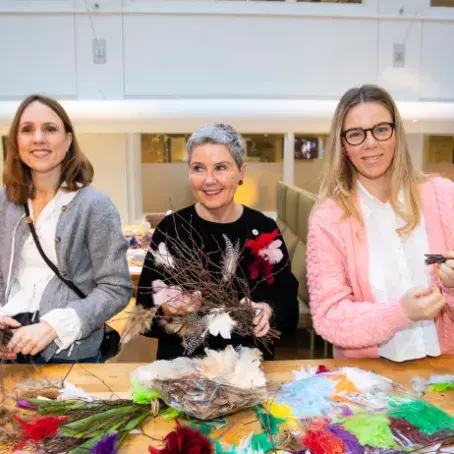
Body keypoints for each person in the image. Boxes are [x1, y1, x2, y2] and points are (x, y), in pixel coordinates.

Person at [307, 84, 454, 361]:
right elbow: (329, 317)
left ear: (397, 133)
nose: (370, 142)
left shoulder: (443, 196)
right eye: (356, 134)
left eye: (381, 129)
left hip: (444, 371)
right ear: (343, 145)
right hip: (368, 382)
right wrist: (401, 313)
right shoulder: (328, 218)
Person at [137, 123, 299, 360]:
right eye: (198, 168)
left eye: (221, 168)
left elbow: (289, 308)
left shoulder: (263, 230)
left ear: (241, 173)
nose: (209, 179)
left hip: (246, 372)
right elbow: (143, 313)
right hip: (182, 372)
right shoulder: (171, 231)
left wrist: (268, 312)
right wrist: (168, 311)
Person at [0, 94, 132, 363]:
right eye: (27, 130)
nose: (38, 138)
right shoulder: (5, 202)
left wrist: (53, 327)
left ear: (68, 139)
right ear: (16, 141)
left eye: (50, 129)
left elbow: (116, 288)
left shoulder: (94, 205)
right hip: (9, 348)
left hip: (68, 352)